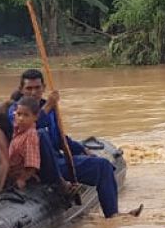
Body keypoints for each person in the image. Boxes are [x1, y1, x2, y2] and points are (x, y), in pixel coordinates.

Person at [8, 69, 137, 218]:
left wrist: (81, 149)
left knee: (103, 166)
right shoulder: (16, 111)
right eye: (29, 88)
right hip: (39, 167)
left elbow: (60, 137)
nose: (34, 92)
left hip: (58, 160)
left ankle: (112, 215)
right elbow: (27, 127)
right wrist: (49, 106)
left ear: (43, 88)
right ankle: (61, 184)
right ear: (21, 90)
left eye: (37, 88)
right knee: (42, 135)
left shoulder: (50, 107)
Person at [6, 96, 42, 190]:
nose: (21, 118)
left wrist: (22, 179)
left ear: (35, 117)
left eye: (26, 115)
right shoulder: (17, 129)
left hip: (19, 175)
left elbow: (32, 165)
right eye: (19, 114)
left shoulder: (30, 134)